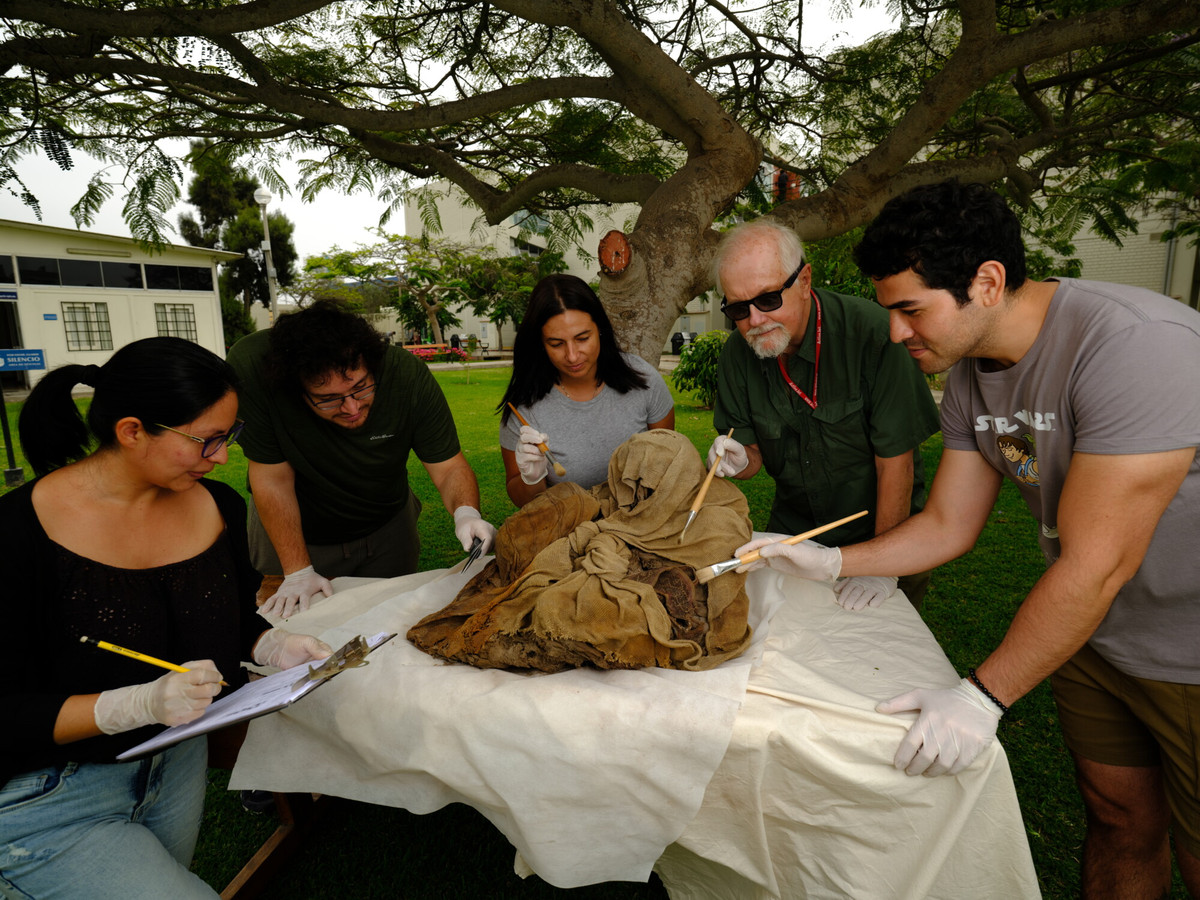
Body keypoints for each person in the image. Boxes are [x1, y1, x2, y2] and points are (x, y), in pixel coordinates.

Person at [737, 179, 1200, 896]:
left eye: (910, 309)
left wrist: (982, 696)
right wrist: (832, 560)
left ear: (986, 282)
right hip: (1090, 635)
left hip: (1187, 643)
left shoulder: (1135, 346)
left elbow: (1097, 564)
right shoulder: (969, 380)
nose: (894, 332)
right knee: (1116, 817)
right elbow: (949, 523)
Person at [0, 337, 331, 899]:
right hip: (47, 795)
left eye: (231, 436)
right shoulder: (16, 536)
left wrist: (268, 645)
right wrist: (131, 705)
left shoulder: (217, 507)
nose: (223, 457)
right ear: (132, 431)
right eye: (207, 440)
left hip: (174, 767)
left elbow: (225, 616)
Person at [705, 218, 940, 609]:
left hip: (881, 534)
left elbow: (896, 465)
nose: (755, 321)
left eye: (767, 299)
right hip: (793, 537)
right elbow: (751, 457)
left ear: (804, 280)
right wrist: (740, 458)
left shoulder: (875, 336)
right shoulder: (737, 354)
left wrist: (882, 564)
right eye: (738, 308)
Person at [227, 301, 496, 618]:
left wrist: (465, 512)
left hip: (387, 524)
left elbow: (448, 465)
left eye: (361, 388)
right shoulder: (252, 370)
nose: (352, 408)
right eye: (328, 399)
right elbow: (272, 478)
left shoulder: (404, 374)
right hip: (296, 531)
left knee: (392, 624)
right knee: (297, 632)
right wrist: (297, 571)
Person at [498, 274, 675, 507]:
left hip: (643, 521)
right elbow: (524, 502)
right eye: (556, 344)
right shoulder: (523, 408)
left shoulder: (643, 380)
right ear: (541, 343)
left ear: (600, 329)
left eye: (582, 338)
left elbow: (669, 462)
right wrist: (531, 477)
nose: (572, 356)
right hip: (568, 528)